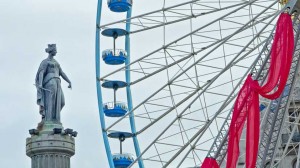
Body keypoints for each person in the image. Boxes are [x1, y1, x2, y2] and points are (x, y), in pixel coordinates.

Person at [35, 44, 72, 122]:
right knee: (50, 101)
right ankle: (48, 120)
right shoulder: (45, 62)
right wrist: (40, 84)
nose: (56, 52)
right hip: (50, 82)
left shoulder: (56, 62)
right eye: (55, 50)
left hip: (58, 82)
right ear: (51, 51)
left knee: (62, 102)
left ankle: (54, 118)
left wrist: (69, 81)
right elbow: (41, 72)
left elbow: (61, 72)